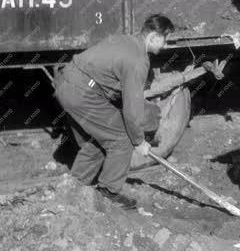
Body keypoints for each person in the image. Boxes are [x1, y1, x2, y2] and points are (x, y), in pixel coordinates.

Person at [54, 14, 174, 209]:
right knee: (121, 137)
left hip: (68, 82)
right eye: (165, 40)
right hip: (83, 93)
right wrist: (139, 141)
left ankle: (76, 186)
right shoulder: (138, 60)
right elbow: (131, 109)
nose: (166, 45)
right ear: (153, 37)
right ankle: (109, 192)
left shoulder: (125, 39)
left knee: (101, 139)